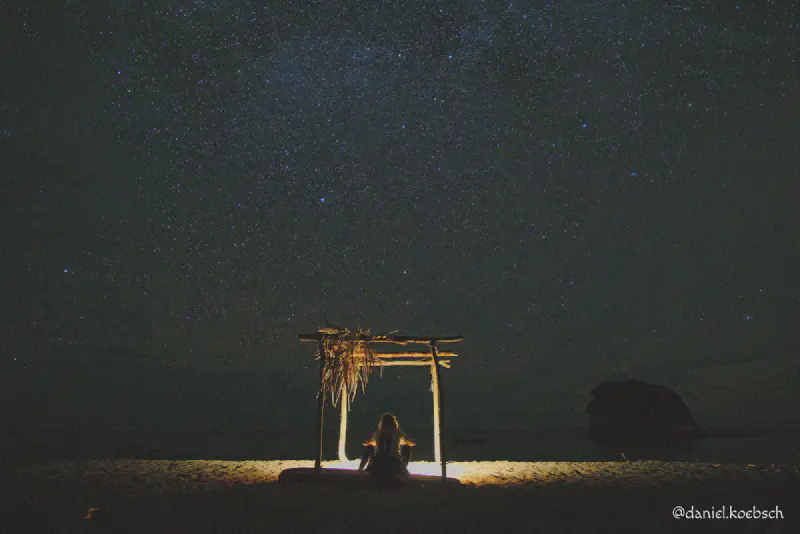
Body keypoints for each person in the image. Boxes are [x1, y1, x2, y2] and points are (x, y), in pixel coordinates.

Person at [358, 413, 416, 477]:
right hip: (394, 463)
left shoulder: (378, 432)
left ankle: (361, 468)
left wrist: (367, 442)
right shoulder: (398, 432)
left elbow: (369, 442)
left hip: (378, 462)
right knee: (407, 447)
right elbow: (410, 442)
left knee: (369, 447)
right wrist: (403, 442)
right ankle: (403, 468)